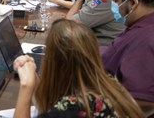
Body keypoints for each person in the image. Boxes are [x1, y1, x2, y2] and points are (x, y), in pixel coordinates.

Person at [13, 19, 145, 118]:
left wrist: (26, 86)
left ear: (55, 62)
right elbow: (45, 106)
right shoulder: (110, 83)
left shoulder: (72, 109)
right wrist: (34, 79)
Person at [102, 0, 154, 117]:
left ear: (132, 2)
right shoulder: (140, 26)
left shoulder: (146, 40)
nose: (114, 7)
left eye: (116, 1)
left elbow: (143, 101)